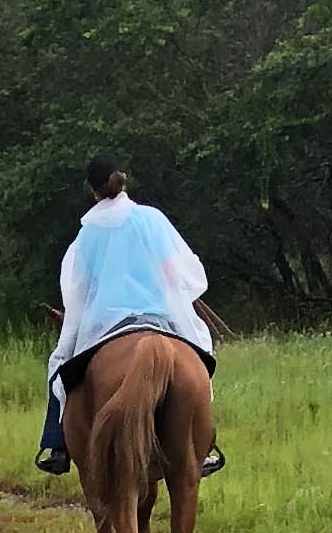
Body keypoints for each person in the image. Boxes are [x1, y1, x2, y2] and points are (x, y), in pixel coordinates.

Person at [36, 155, 222, 480]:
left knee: (59, 365)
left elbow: (77, 291)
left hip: (104, 325)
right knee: (200, 358)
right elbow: (177, 270)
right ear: (122, 179)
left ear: (92, 189)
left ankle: (59, 445)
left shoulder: (86, 235)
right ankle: (204, 446)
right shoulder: (152, 219)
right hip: (161, 320)